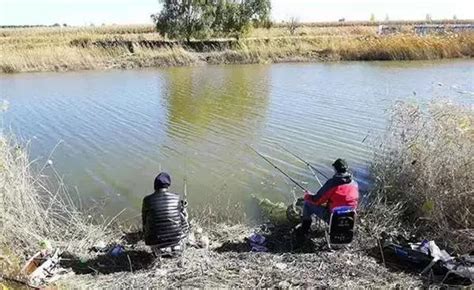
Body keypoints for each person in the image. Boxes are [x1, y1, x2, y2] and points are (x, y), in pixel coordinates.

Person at [296, 158, 359, 239]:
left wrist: (307, 196)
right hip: (350, 219)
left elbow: (316, 201)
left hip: (334, 220)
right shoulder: (354, 184)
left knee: (307, 204)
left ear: (335, 169)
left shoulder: (332, 183)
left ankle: (304, 231)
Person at [142, 172, 188, 256]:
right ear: (168, 185)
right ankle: (175, 246)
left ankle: (159, 249)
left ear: (155, 185)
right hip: (177, 238)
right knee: (183, 213)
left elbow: (144, 221)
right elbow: (181, 218)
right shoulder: (176, 197)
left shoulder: (147, 200)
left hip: (154, 240)